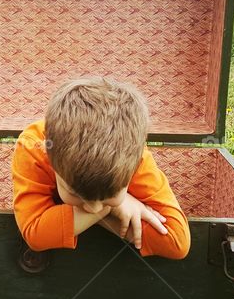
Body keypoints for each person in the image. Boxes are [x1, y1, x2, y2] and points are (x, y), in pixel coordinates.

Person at [11, 77, 190, 258]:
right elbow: (36, 234)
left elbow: (176, 242)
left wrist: (78, 215)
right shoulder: (35, 146)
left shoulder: (131, 154)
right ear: (48, 155)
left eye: (109, 197)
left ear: (136, 162)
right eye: (75, 193)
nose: (94, 209)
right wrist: (114, 207)